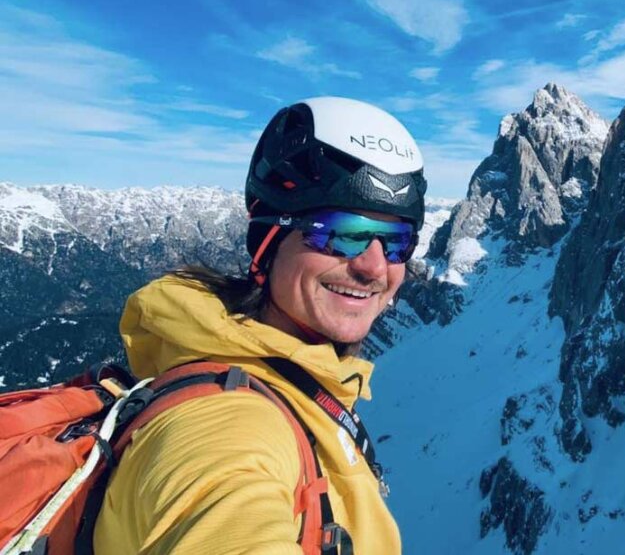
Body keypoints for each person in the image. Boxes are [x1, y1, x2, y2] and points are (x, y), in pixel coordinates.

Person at [93, 97, 426, 554]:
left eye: (396, 242)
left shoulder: (300, 382)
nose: (373, 267)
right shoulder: (227, 425)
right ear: (270, 237)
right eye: (342, 232)